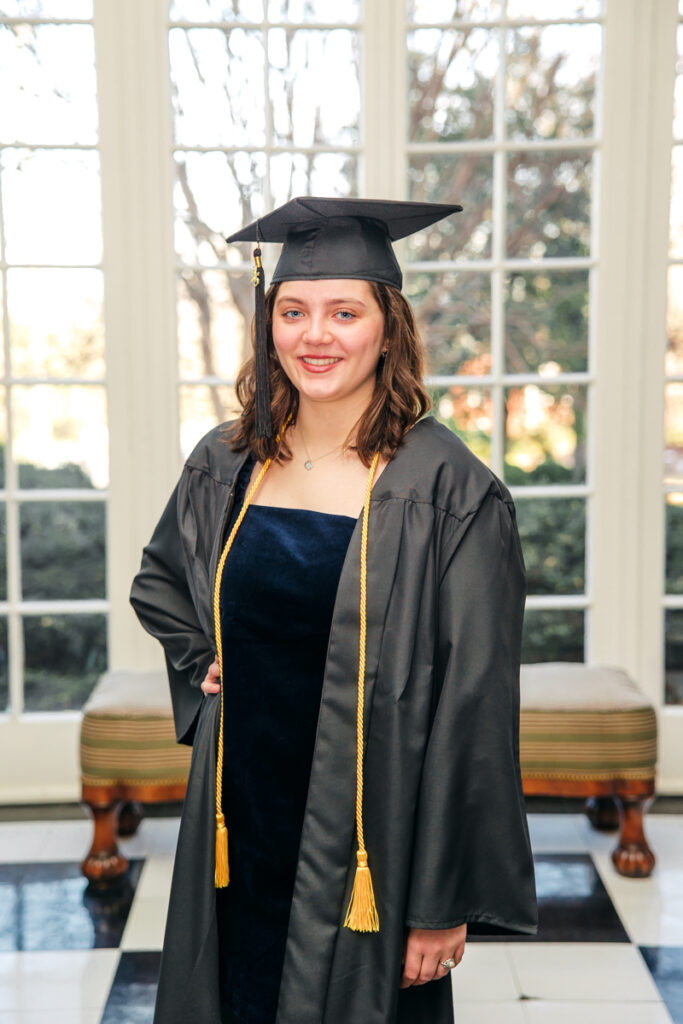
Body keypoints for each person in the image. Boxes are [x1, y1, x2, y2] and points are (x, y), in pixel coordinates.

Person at [130, 196, 538, 1024]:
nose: (315, 336)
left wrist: (439, 899)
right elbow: (164, 581)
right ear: (268, 322)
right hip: (236, 822)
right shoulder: (229, 459)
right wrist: (201, 657)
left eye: (343, 312)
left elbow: (474, 708)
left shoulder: (446, 491)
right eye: (293, 311)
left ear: (387, 326)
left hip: (369, 839)